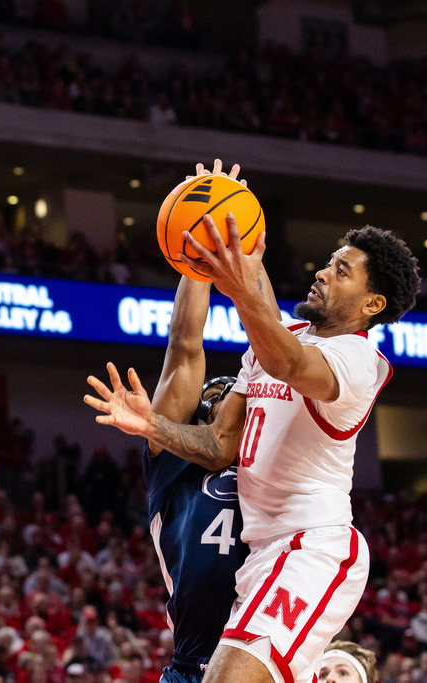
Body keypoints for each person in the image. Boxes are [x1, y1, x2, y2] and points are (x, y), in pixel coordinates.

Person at [85, 164, 420, 683]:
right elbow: (220, 443)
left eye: (341, 271)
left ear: (371, 304)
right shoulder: (278, 336)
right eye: (328, 262)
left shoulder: (357, 361)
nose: (322, 272)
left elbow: (284, 357)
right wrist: (153, 425)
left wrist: (239, 276)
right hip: (264, 555)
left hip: (313, 544)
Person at [139, 161, 284, 683]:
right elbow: (184, 350)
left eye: (236, 393)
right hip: (192, 664)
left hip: (269, 657)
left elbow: (274, 350)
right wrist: (197, 257)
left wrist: (243, 248)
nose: (226, 393)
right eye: (215, 392)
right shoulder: (171, 460)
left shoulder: (272, 458)